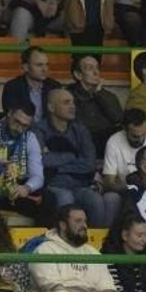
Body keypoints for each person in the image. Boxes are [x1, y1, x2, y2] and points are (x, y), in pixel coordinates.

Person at [38, 89, 115, 229]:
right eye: (66, 103)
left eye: (73, 102)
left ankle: (94, 244)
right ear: (51, 107)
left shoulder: (81, 130)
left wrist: (57, 166)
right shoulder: (39, 129)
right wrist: (72, 156)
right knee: (66, 200)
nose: (72, 106)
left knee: (96, 201)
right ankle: (63, 244)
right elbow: (41, 161)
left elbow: (89, 164)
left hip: (80, 185)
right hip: (54, 185)